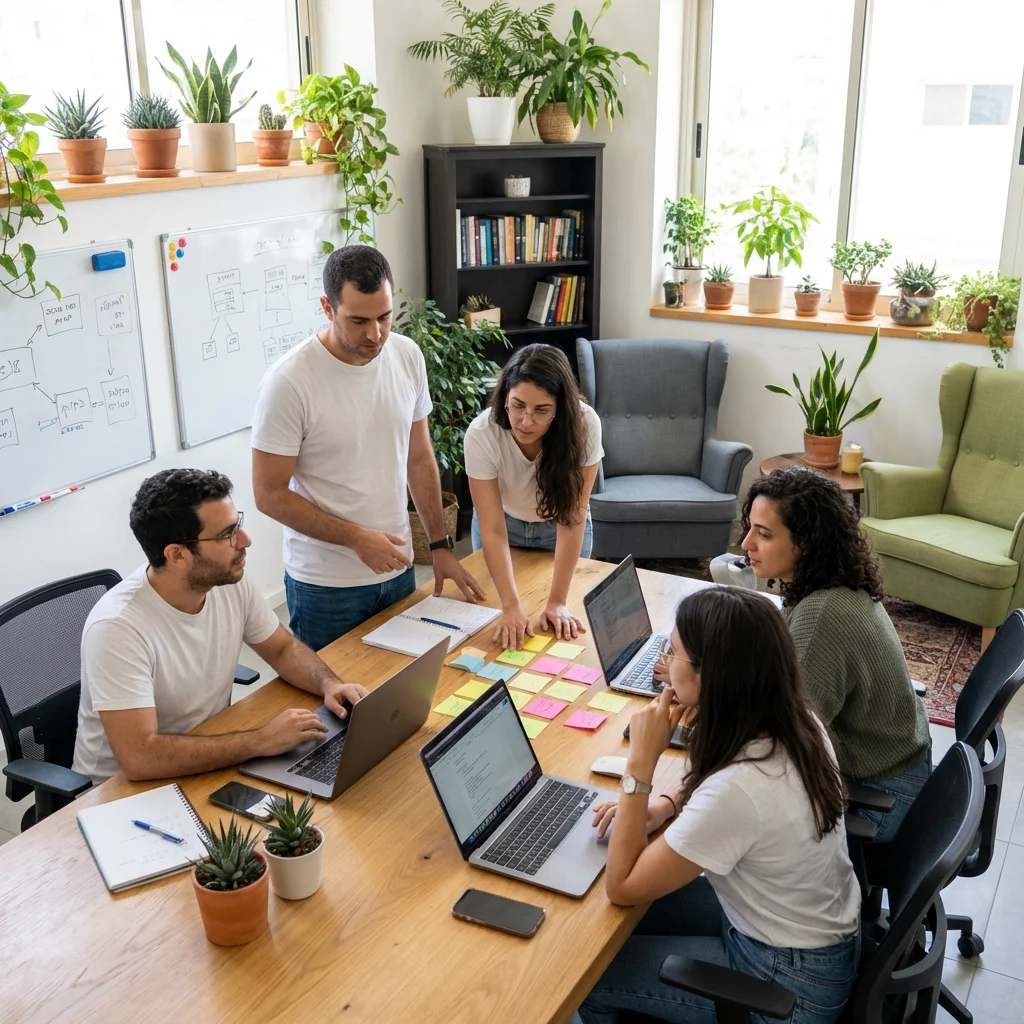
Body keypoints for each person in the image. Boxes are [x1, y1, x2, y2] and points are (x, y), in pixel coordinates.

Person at [575, 588, 861, 1024]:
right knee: (604, 926)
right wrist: (668, 804)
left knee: (590, 974)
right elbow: (728, 791)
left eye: (673, 653)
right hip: (809, 936)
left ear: (711, 676)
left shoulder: (739, 790)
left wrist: (640, 767)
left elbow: (623, 886)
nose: (665, 663)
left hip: (788, 984)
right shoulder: (795, 720)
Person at [251, 245, 484, 652]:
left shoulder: (407, 356)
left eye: (384, 316)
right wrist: (356, 538)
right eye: (358, 320)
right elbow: (268, 494)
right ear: (327, 307)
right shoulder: (288, 383)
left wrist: (440, 545)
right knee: (333, 711)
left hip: (398, 571)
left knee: (400, 701)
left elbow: (418, 457)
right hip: (325, 587)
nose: (375, 334)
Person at [72, 469, 368, 786]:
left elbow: (282, 649)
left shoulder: (226, 580)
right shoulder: (118, 628)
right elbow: (140, 757)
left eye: (237, 525)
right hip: (120, 792)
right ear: (177, 555)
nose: (245, 541)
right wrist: (260, 741)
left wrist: (329, 685)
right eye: (227, 534)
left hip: (206, 751)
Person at [740, 467, 932, 841]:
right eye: (750, 528)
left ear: (806, 544)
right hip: (901, 764)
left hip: (882, 794)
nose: (746, 543)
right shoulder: (830, 584)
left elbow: (780, 744)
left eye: (763, 534)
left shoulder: (822, 615)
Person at [465, 344, 602, 649]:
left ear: (560, 409)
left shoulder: (585, 424)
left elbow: (572, 518)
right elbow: (492, 529)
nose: (526, 421)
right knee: (498, 621)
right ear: (505, 398)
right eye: (517, 406)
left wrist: (557, 602)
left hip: (560, 528)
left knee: (557, 628)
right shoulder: (481, 433)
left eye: (541, 411)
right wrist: (511, 606)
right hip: (503, 525)